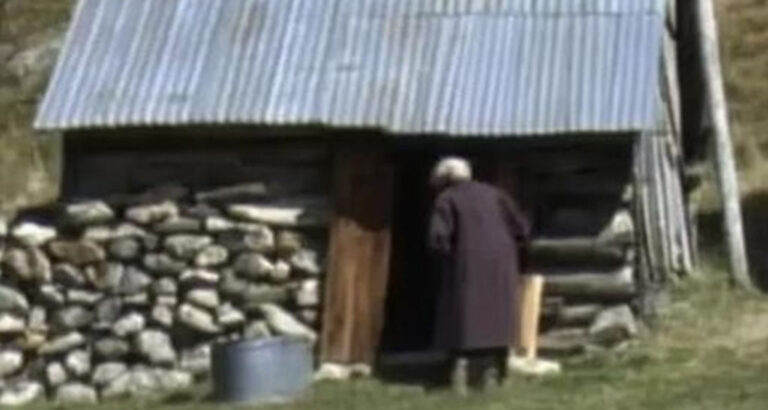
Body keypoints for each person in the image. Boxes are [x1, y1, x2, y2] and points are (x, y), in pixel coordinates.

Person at [427, 157, 530, 395]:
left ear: (445, 179)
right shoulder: (496, 194)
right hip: (502, 264)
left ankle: (465, 377)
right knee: (497, 314)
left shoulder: (447, 198)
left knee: (467, 316)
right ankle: (495, 374)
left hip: (466, 264)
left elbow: (438, 238)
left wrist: (445, 261)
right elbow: (521, 228)